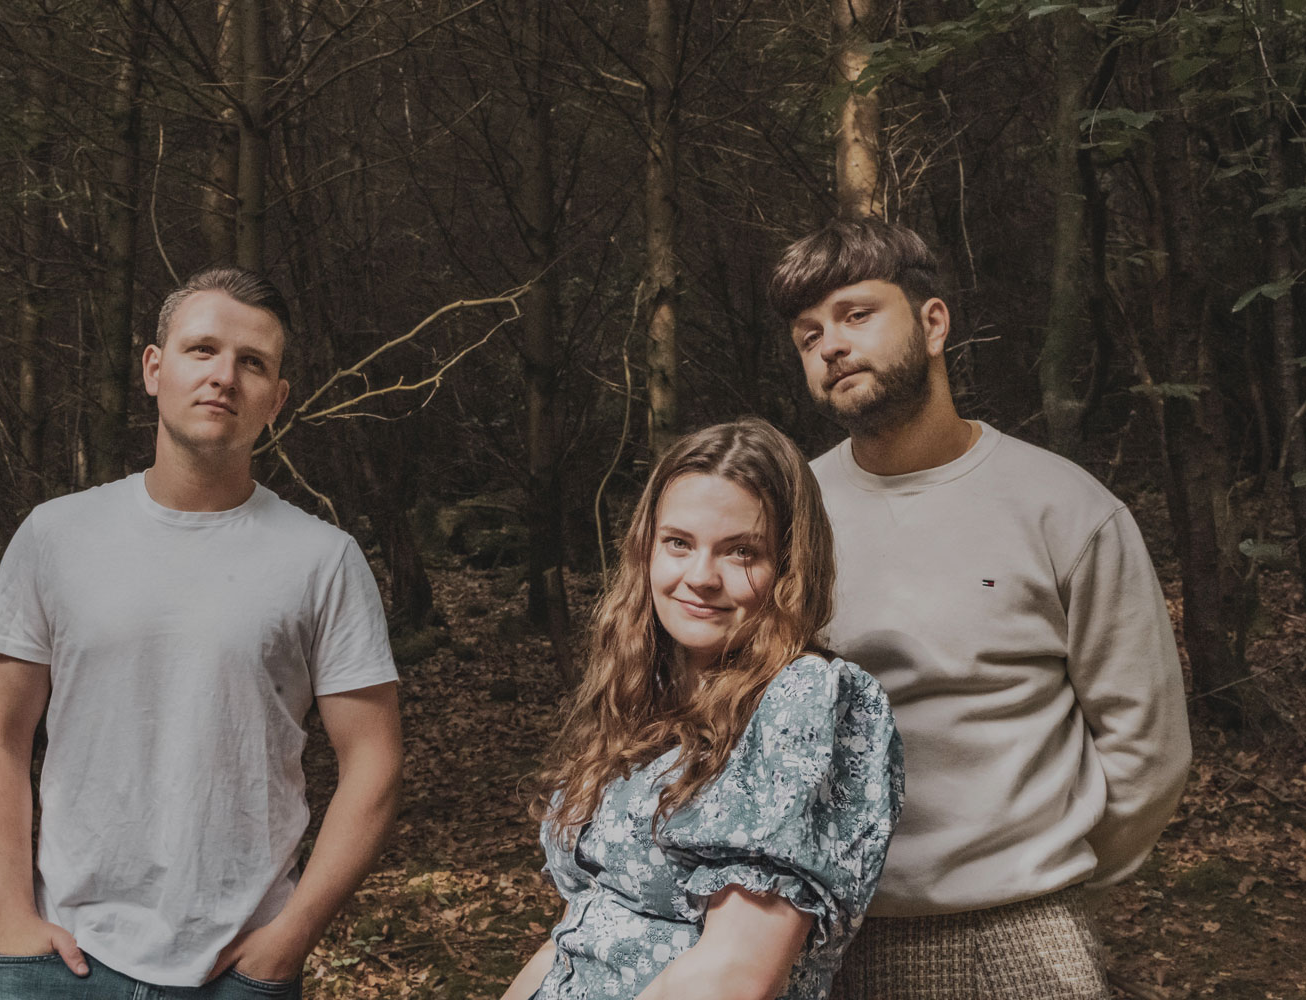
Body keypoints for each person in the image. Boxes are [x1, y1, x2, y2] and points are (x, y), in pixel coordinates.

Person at [767, 218, 1192, 1000]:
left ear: (933, 323)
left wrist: (1048, 879)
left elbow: (1147, 747)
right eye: (809, 334)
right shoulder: (786, 517)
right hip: (829, 931)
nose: (831, 345)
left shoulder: (1065, 509)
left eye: (857, 315)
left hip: (1024, 929)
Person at [0, 267, 402, 999]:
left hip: (240, 969)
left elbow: (374, 762)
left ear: (276, 399)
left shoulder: (324, 560)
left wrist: (289, 939)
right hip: (61, 961)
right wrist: (9, 921)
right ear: (153, 368)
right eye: (202, 350)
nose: (224, 376)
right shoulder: (54, 536)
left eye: (252, 362)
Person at [503, 419, 903, 1000]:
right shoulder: (645, 688)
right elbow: (574, 934)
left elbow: (734, 976)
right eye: (679, 543)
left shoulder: (804, 700)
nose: (700, 577)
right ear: (647, 547)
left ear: (790, 567)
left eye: (741, 552)